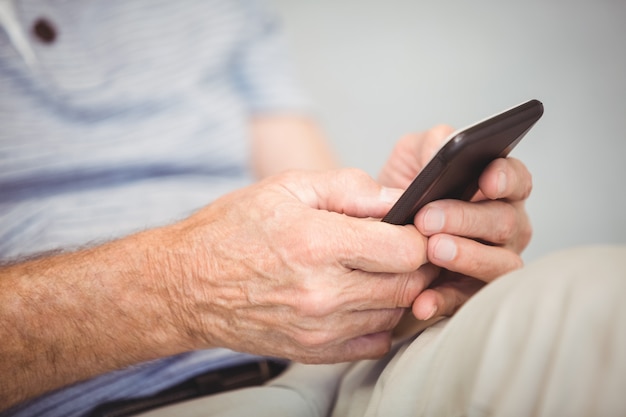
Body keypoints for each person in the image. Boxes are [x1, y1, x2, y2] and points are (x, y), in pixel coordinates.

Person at [3, 1, 622, 417]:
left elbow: (299, 190)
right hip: (114, 402)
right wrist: (183, 289)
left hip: (330, 373)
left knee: (600, 303)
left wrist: (384, 261)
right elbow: (214, 280)